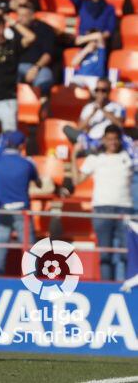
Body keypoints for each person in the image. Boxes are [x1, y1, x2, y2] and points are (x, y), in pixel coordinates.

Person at [73, 125, 133, 281]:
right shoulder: (95, 159)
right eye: (109, 139)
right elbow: (76, 180)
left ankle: (126, 284)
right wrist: (73, 156)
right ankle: (107, 286)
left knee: (126, 251)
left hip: (124, 209)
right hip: (102, 208)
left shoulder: (129, 156)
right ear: (104, 140)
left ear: (120, 141)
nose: (112, 142)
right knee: (105, 252)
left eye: (115, 139)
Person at [0, 131, 38, 275]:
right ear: (21, 145)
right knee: (29, 249)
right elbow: (37, 183)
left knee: (1, 247)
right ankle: (32, 281)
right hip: (22, 210)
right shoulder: (28, 163)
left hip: (3, 209)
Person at [65, 77, 125, 151]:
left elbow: (120, 125)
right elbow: (79, 128)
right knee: (66, 128)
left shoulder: (117, 107)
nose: (100, 93)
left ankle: (90, 149)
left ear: (109, 91)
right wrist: (92, 114)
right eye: (97, 90)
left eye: (103, 90)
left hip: (106, 142)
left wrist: (102, 109)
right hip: (89, 139)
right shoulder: (88, 107)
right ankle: (87, 146)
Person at [14, 2, 56, 96]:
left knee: (46, 77)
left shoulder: (45, 29)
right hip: (16, 66)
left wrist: (36, 68)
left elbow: (48, 54)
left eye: (24, 16)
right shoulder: (13, 30)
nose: (20, 19)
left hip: (38, 66)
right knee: (8, 75)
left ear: (32, 16)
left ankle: (43, 105)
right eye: (19, 15)